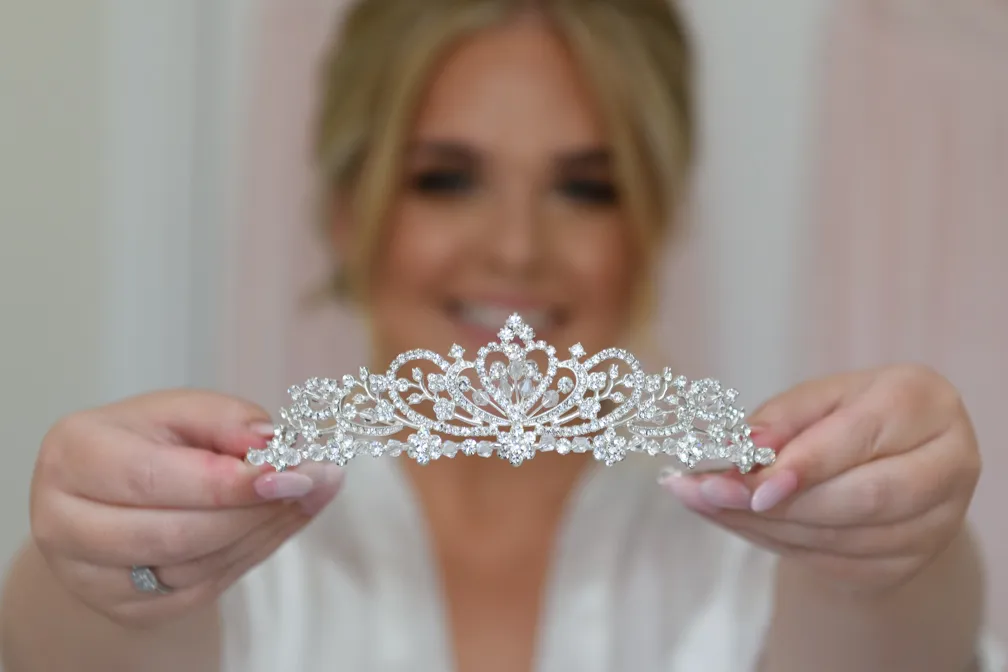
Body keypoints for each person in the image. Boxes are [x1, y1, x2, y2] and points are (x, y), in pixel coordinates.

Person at [1, 1, 1001, 670]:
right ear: (352, 208)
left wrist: (900, 552)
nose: (516, 248)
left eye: (584, 187)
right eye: (448, 177)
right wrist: (95, 575)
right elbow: (81, 641)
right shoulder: (242, 559)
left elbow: (897, 635)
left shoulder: (754, 552)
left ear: (651, 223)